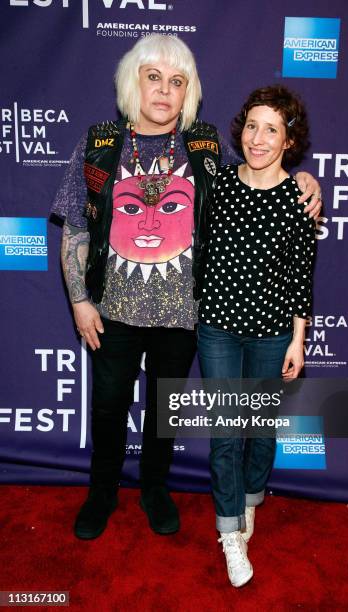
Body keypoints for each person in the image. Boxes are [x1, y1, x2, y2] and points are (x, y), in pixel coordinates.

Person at [51, 34, 322, 540]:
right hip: (111, 309)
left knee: (163, 410)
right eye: (153, 77)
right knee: (108, 405)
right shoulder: (99, 143)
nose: (164, 91)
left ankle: (155, 489)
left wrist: (308, 183)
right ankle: (102, 492)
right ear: (134, 82)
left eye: (177, 81)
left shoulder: (205, 146)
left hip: (184, 314)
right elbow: (75, 229)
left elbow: (260, 176)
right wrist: (80, 301)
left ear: (189, 91)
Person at [197, 85, 315, 587]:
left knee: (260, 431)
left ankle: (249, 503)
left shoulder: (300, 198)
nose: (259, 138)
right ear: (240, 129)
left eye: (272, 129)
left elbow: (301, 274)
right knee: (226, 433)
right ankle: (229, 534)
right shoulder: (219, 184)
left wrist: (298, 338)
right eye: (252, 126)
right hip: (218, 328)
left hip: (271, 334)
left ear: (289, 141)